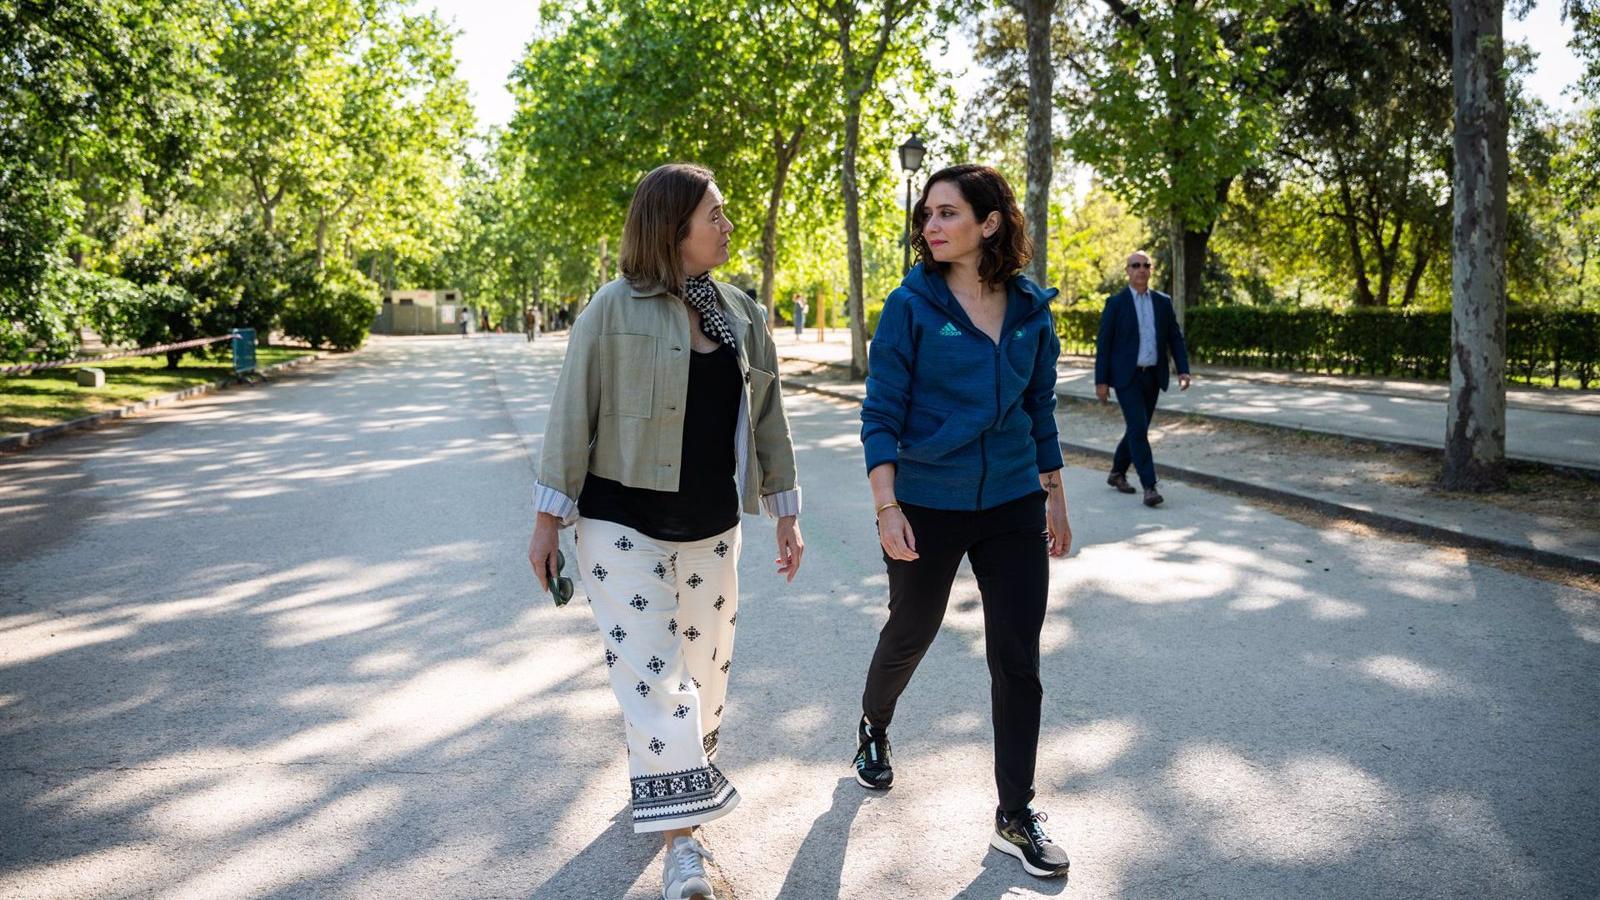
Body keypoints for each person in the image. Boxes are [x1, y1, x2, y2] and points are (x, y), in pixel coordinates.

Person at [527, 163, 804, 900]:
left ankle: (669, 773)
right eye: (715, 215)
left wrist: (786, 513)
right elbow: (571, 415)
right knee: (654, 678)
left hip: (712, 528)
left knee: (705, 677)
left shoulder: (742, 314)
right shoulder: (611, 309)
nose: (727, 226)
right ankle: (685, 843)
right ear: (673, 227)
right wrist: (547, 522)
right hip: (620, 526)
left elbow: (769, 420)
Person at [855, 164, 1073, 879]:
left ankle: (1016, 813)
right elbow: (881, 414)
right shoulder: (910, 306)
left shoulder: (1031, 309)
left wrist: (1055, 495)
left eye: (947, 212)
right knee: (911, 630)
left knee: (1017, 657)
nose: (931, 225)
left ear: (990, 222)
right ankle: (875, 723)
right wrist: (887, 506)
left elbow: (1040, 407)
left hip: (1012, 501)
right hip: (927, 502)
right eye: (927, 214)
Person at [1093, 251, 1192, 507]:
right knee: (1138, 429)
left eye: (1145, 265)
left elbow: (1175, 337)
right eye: (1135, 265)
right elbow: (1104, 344)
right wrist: (1101, 381)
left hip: (1153, 377)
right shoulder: (1116, 303)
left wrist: (1183, 369)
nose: (1141, 269)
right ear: (1127, 270)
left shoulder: (1162, 302)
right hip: (1126, 377)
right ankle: (1150, 486)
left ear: (1151, 269)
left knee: (1138, 429)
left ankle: (1117, 472)